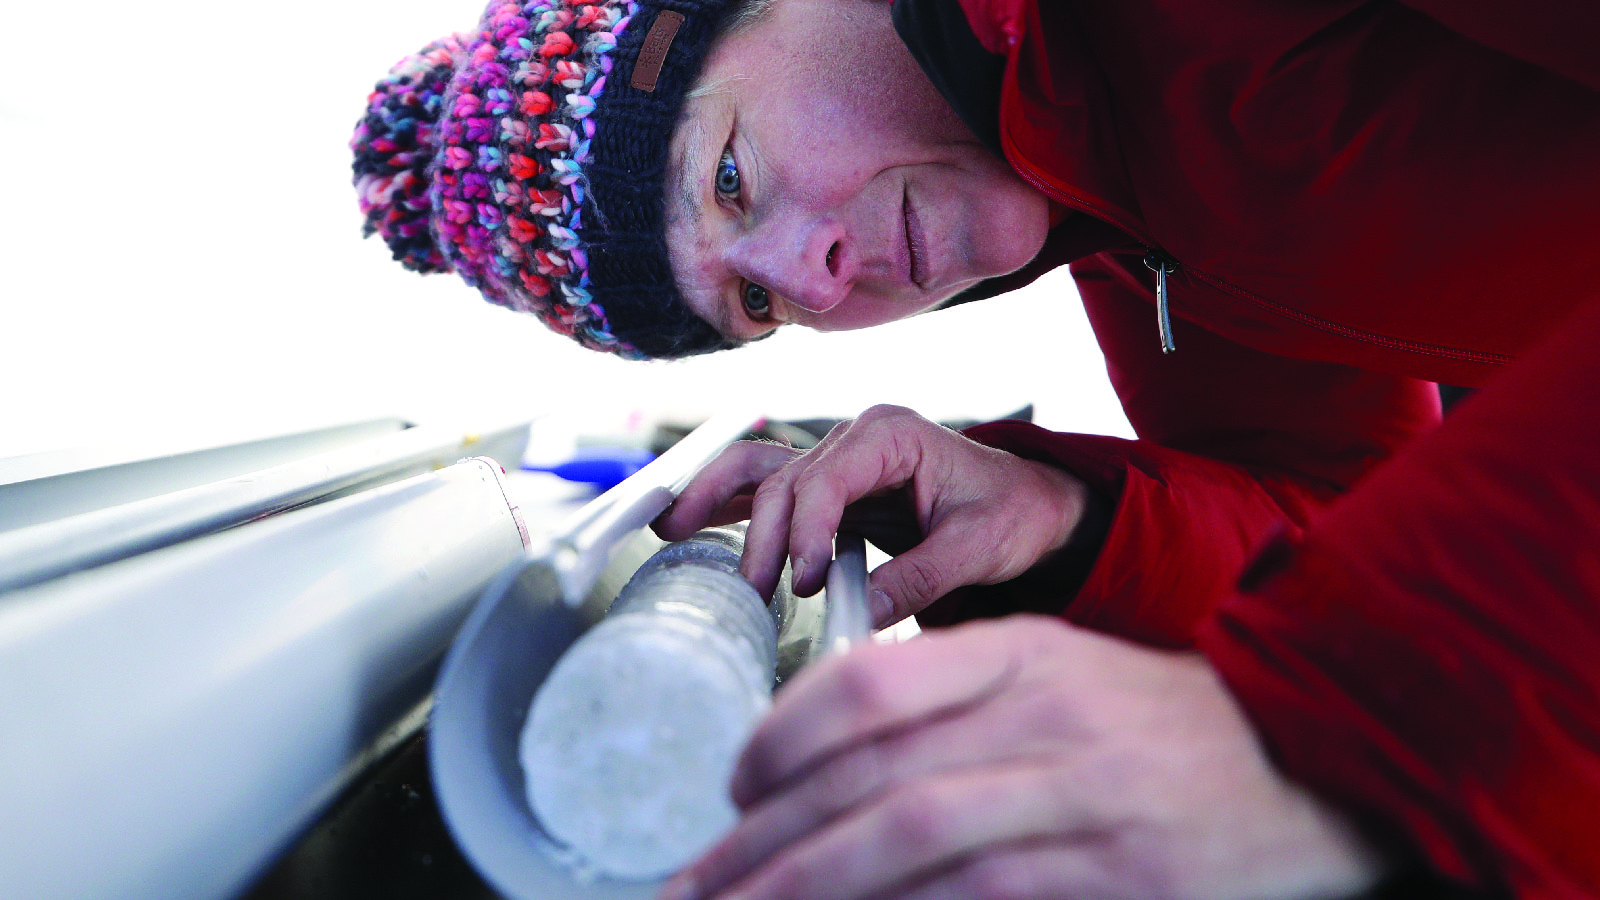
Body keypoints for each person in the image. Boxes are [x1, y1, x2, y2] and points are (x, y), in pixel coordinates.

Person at [351, 0, 1600, 898]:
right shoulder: (1128, 222)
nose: (814, 283)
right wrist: (1066, 518)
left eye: (730, 175)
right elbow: (1350, 523)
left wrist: (1349, 726)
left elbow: (1372, 636)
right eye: (757, 308)